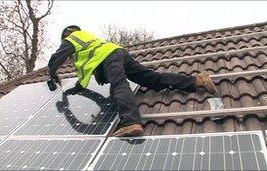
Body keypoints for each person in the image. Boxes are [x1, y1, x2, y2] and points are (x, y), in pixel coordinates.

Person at [47, 25, 217, 137]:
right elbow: (85, 73)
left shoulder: (72, 38)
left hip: (109, 59)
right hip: (119, 53)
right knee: (152, 78)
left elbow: (56, 59)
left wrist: (52, 73)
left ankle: (131, 122)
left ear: (66, 36)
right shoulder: (88, 39)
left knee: (119, 84)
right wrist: (76, 88)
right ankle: (197, 81)